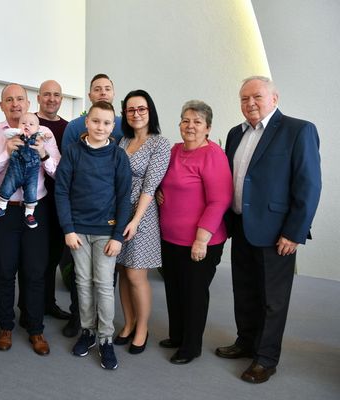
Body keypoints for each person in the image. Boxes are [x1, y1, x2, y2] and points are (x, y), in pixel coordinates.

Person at [216, 76, 321, 383]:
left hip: (277, 233)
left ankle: (266, 358)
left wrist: (294, 232)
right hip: (241, 226)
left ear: (274, 98)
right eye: (244, 98)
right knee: (244, 290)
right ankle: (246, 341)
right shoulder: (235, 133)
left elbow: (309, 185)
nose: (250, 103)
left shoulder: (298, 130)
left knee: (272, 299)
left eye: (257, 97)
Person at [0, 83, 60, 356]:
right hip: (3, 210)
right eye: (9, 100)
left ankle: (35, 328)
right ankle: (5, 326)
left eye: (20, 99)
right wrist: (5, 154)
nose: (15, 104)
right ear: (2, 105)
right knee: (5, 269)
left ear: (28, 104)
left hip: (35, 208)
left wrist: (43, 153)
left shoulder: (45, 133)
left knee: (35, 270)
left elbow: (59, 172)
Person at [55, 101, 131, 370]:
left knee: (104, 285)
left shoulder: (118, 156)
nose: (101, 127)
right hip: (77, 232)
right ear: (86, 122)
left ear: (113, 126)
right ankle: (87, 332)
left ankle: (105, 338)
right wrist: (68, 229)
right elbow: (61, 191)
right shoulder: (73, 152)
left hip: (106, 233)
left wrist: (118, 236)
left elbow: (124, 197)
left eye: (107, 123)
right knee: (83, 283)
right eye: (96, 121)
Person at [157, 100, 232, 365]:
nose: (190, 126)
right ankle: (177, 335)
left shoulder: (213, 155)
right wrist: (159, 191)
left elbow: (219, 200)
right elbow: (162, 180)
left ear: (208, 128)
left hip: (200, 242)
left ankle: (191, 346)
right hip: (170, 238)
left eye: (197, 122)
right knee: (174, 289)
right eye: (186, 120)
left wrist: (201, 240)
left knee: (193, 294)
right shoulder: (174, 150)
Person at [114, 90, 170, 355]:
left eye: (141, 109)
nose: (136, 114)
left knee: (136, 274)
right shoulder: (123, 141)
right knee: (123, 271)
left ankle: (142, 329)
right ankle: (128, 323)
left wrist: (136, 220)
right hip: (119, 210)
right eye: (131, 109)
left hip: (142, 214)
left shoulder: (160, 143)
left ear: (150, 111)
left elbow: (150, 186)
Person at [35, 80, 74, 332]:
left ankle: (48, 303)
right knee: (35, 258)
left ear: (61, 99)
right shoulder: (30, 124)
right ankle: (33, 306)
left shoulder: (68, 128)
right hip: (35, 201)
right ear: (38, 98)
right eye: (47, 94)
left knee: (53, 257)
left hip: (60, 202)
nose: (51, 99)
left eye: (56, 95)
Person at [0, 112, 47, 228]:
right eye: (23, 123)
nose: (27, 126)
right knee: (7, 186)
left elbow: (45, 135)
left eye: (31, 124)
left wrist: (46, 136)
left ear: (37, 128)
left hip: (31, 173)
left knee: (31, 192)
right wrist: (19, 131)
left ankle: (29, 214)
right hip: (15, 170)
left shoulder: (39, 136)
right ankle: (1, 207)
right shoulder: (15, 134)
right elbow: (6, 133)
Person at [61, 73, 124, 150]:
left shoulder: (124, 126)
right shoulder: (73, 127)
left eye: (107, 89)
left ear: (113, 94)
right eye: (97, 89)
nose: (103, 93)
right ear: (90, 96)